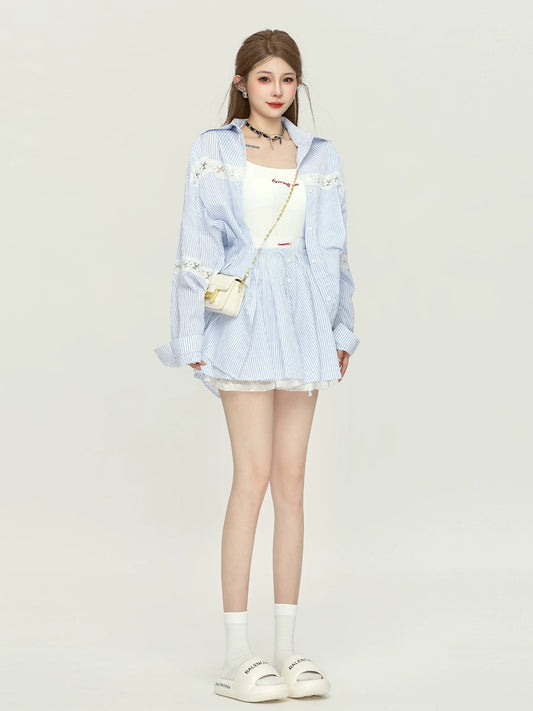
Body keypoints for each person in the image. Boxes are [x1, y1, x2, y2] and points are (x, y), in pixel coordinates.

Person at [154, 29, 360, 703]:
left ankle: (287, 648)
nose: (277, 90)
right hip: (242, 320)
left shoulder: (318, 154)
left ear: (298, 86)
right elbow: (195, 242)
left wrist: (340, 329)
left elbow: (334, 250)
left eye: (287, 79)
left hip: (302, 320)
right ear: (241, 83)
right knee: (253, 475)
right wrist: (190, 332)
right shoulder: (214, 149)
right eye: (265, 78)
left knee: (292, 481)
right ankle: (236, 653)